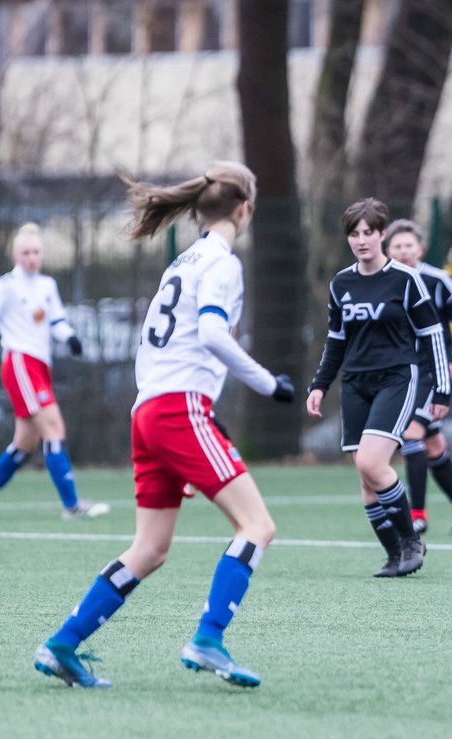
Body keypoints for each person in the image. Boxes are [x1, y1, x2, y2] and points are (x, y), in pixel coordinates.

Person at [34, 161, 294, 689]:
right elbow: (214, 336)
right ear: (245, 208)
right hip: (178, 411)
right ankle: (209, 638)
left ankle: (62, 644)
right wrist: (268, 384)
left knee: (150, 549)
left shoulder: (182, 262)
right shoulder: (221, 262)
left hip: (149, 410)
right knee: (257, 526)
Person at [306, 199, 451, 578]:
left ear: (382, 234)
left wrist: (442, 389)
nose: (361, 240)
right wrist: (320, 384)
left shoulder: (405, 279)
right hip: (355, 382)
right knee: (365, 478)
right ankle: (393, 554)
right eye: (354, 234)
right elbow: (335, 341)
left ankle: (411, 541)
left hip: (397, 379)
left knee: (373, 462)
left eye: (368, 232)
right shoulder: (341, 283)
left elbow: (433, 333)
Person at [0, 223, 110, 520]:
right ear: (15, 255)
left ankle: (71, 504)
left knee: (25, 444)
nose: (31, 257)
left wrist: (70, 337)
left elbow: (56, 320)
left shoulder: (47, 285)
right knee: (54, 428)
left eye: (36, 252)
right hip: (20, 363)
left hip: (39, 366)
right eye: (25, 253)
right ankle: (72, 506)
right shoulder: (6, 286)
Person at [383, 219, 452, 536]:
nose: (403, 250)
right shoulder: (384, 282)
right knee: (433, 444)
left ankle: (417, 514)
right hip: (401, 374)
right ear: (388, 251)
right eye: (396, 246)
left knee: (412, 435)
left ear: (420, 249)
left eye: (408, 245)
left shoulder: (437, 280)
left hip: (433, 372)